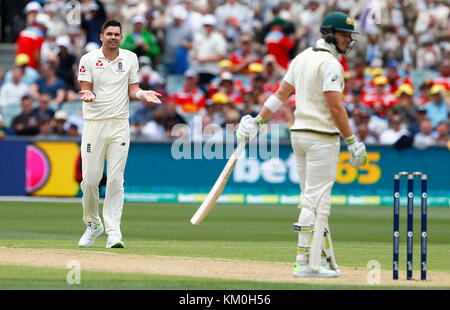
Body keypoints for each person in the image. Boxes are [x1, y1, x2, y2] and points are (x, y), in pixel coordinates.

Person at [236, 12, 367, 278]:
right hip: (321, 138)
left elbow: (280, 95)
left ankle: (320, 258)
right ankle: (304, 263)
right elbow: (335, 107)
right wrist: (352, 141)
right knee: (316, 202)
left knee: (313, 201)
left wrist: (258, 121)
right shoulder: (330, 64)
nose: (347, 40)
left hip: (299, 136)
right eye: (344, 35)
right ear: (330, 34)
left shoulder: (302, 57)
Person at [77, 20, 162, 249]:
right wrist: (87, 95)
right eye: (109, 34)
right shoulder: (89, 59)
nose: (113, 37)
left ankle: (114, 232)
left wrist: (143, 94)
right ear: (102, 36)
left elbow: (132, 89)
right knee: (90, 181)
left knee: (116, 180)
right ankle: (93, 224)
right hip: (94, 124)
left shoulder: (130, 58)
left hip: (119, 125)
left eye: (117, 34)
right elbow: (85, 86)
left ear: (121, 37)